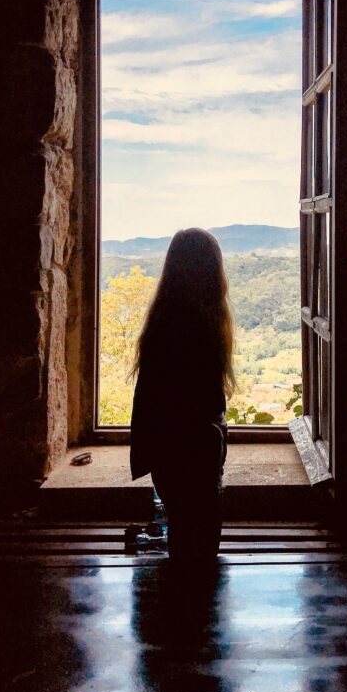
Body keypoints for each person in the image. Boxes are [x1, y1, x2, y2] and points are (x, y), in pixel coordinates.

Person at [129, 228, 233, 559]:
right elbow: (207, 404)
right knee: (199, 553)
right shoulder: (201, 327)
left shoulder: (164, 322)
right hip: (196, 455)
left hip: (168, 459)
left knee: (184, 549)